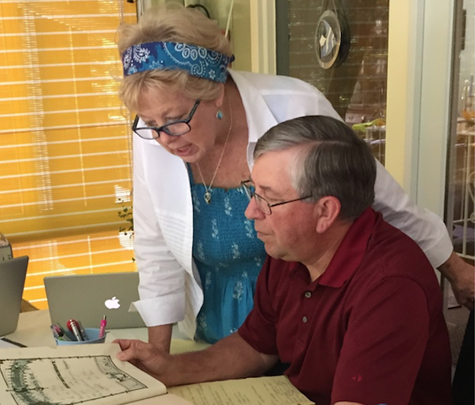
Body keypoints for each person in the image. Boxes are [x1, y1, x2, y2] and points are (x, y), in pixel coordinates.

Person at [117, 3, 474, 351]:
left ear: (214, 91)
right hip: (218, 330)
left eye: (175, 118)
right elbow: (155, 248)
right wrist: (158, 358)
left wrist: (457, 271)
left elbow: (382, 199)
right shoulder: (159, 134)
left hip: (307, 323)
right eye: (150, 124)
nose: (163, 137)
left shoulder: (294, 107)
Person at [115, 116, 453, 405]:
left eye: (267, 199)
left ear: (325, 212)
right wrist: (170, 367)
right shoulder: (291, 250)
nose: (251, 212)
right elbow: (255, 345)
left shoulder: (390, 286)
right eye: (253, 191)